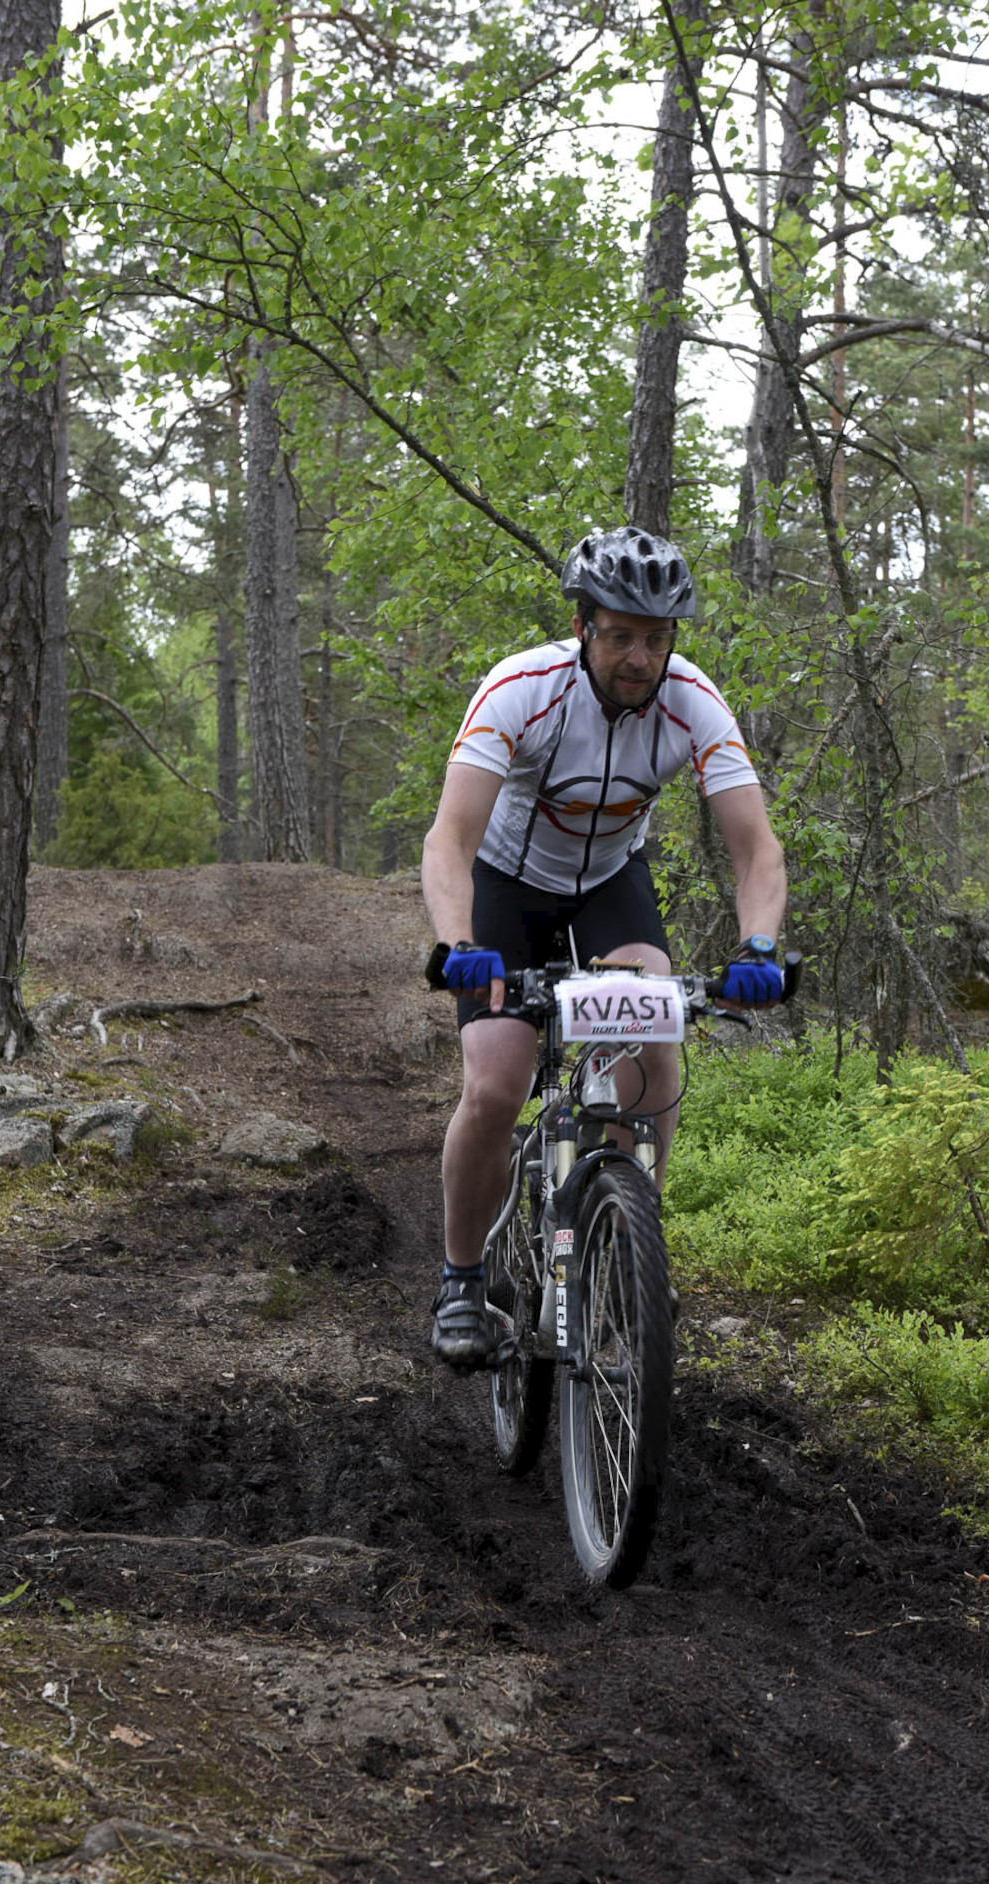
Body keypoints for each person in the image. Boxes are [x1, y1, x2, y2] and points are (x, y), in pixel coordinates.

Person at [422, 525, 787, 1367]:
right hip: (504, 886)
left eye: (656, 639)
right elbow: (449, 840)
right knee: (496, 1085)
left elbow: (756, 849)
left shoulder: (693, 701)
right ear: (582, 626)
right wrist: (459, 942)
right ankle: (462, 1279)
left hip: (608, 886)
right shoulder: (521, 688)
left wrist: (759, 946)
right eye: (620, 635)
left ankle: (625, 1240)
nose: (638, 658)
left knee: (656, 1037)